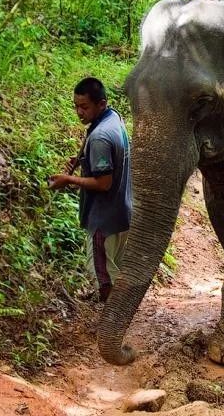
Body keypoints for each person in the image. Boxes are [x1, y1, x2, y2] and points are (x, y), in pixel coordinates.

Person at [49, 77, 132, 303]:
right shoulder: (114, 119)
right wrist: (84, 160)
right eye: (76, 106)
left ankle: (112, 325)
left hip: (103, 220)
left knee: (104, 278)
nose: (79, 112)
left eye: (84, 107)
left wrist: (69, 179)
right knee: (114, 270)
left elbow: (104, 183)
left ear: (101, 104)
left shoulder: (99, 137)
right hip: (122, 213)